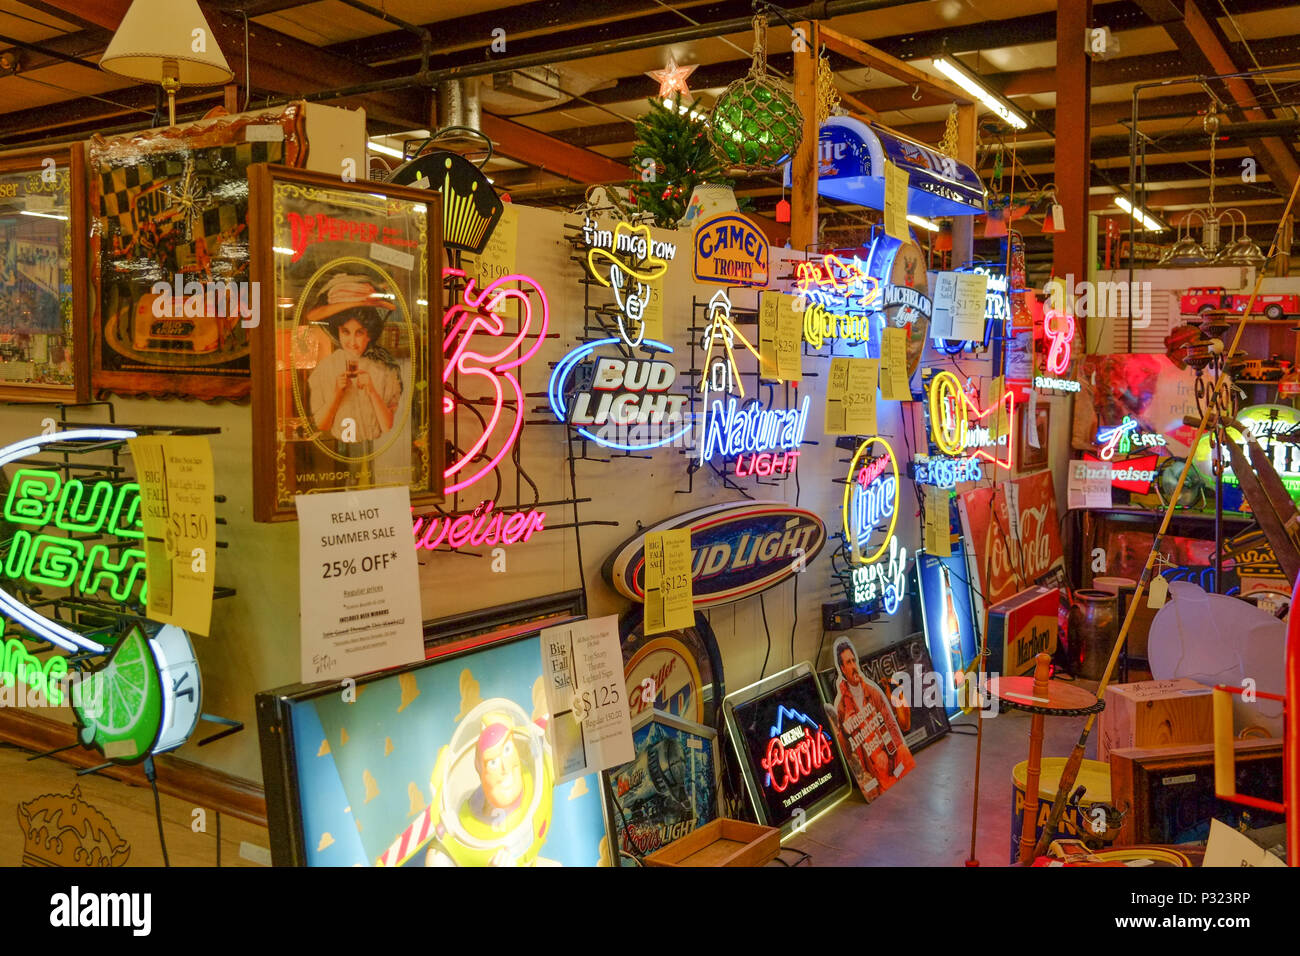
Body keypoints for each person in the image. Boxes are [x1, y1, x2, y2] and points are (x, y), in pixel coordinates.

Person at [306, 273, 402, 445]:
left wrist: (372, 391)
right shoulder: (325, 369)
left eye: (359, 333)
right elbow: (322, 425)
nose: (352, 342)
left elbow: (387, 426)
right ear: (337, 331)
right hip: (338, 448)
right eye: (345, 332)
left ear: (369, 334)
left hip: (377, 447)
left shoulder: (385, 370)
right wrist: (337, 394)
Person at [832, 638, 915, 796]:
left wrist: (890, 754)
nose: (853, 666)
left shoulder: (873, 692)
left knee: (903, 752)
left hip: (888, 756)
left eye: (853, 661)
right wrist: (845, 730)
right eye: (848, 663)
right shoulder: (841, 706)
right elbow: (847, 751)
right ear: (842, 668)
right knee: (881, 779)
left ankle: (895, 776)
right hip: (870, 768)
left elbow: (891, 724)